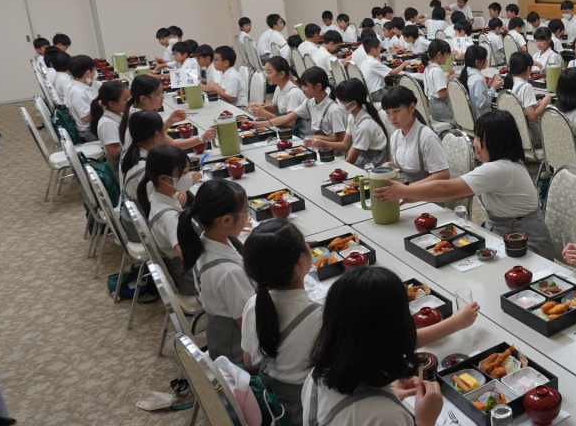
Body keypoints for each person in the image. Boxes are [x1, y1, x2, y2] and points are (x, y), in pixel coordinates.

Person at [375, 111, 554, 259]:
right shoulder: (501, 165)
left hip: (525, 243)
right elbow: (459, 192)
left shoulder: (500, 169)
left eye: (479, 138)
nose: (475, 144)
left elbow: (447, 189)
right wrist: (411, 194)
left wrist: (405, 190)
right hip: (504, 233)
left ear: (496, 142)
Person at [303, 267, 446, 426]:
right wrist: (426, 420)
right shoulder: (387, 417)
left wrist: (388, 391)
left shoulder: (317, 375)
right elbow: (374, 415)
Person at [240, 220, 320, 425]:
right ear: (302, 260)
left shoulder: (253, 304)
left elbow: (249, 363)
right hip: (307, 410)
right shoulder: (321, 317)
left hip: (270, 405)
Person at [177, 179, 253, 361]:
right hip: (238, 354)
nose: (247, 217)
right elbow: (250, 327)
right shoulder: (229, 273)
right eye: (245, 212)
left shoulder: (201, 241)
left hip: (221, 338)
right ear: (226, 220)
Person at [137, 144, 199, 296]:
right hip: (191, 283)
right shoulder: (171, 218)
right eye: (184, 172)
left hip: (182, 276)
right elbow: (189, 258)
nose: (188, 175)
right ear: (164, 178)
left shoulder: (155, 196)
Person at [119, 75, 214, 151]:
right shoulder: (143, 118)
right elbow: (172, 145)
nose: (162, 98)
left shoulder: (133, 110)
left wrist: (170, 121)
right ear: (143, 98)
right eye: (158, 94)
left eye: (162, 93)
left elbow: (151, 133)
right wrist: (203, 138)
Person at [251, 66, 347, 143]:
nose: (303, 89)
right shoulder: (310, 102)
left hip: (327, 150)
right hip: (313, 144)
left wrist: (317, 137)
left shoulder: (333, 109)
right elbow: (287, 118)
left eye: (306, 86)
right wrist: (257, 124)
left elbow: (341, 138)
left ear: (318, 86)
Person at [309, 79, 389, 166]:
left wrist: (330, 168)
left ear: (353, 103)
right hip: (363, 157)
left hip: (373, 162)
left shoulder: (365, 126)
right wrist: (322, 143)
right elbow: (345, 145)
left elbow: (351, 160)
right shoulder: (352, 115)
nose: (338, 104)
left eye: (341, 101)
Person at [381, 87, 450, 184]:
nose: (392, 118)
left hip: (427, 194)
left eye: (396, 111)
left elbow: (444, 174)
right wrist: (391, 164)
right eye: (388, 112)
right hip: (405, 190)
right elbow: (409, 164)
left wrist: (409, 188)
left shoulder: (427, 137)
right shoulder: (395, 136)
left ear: (412, 107)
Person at [119, 109, 167, 214]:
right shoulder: (145, 169)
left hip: (131, 212)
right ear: (157, 135)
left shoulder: (128, 152)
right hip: (146, 220)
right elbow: (159, 206)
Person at [504, 51, 551, 147]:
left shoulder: (509, 81)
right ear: (528, 68)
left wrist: (535, 105)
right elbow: (531, 117)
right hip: (528, 136)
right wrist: (545, 102)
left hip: (514, 133)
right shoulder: (526, 86)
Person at [247, 57, 308, 130]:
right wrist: (262, 105)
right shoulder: (278, 88)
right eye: (266, 72)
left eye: (269, 72)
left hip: (299, 133)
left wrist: (267, 115)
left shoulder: (293, 93)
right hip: (283, 128)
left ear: (281, 74)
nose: (266, 76)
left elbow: (291, 124)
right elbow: (277, 109)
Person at [90, 81, 130, 178]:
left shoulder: (119, 114)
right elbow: (114, 153)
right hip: (120, 172)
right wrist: (134, 141)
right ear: (112, 103)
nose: (130, 101)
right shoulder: (107, 123)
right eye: (126, 99)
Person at [63, 55, 101, 142]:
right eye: (94, 69)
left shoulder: (91, 84)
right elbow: (85, 117)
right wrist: (100, 104)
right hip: (89, 130)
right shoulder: (78, 93)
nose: (96, 72)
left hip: (97, 123)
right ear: (88, 73)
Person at [359, 38, 408, 102]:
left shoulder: (365, 61)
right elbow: (393, 72)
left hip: (369, 93)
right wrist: (405, 63)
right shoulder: (374, 62)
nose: (379, 51)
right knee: (402, 94)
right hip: (377, 94)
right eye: (379, 48)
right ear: (373, 49)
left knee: (395, 90)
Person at [460, 45, 501, 118]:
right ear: (477, 62)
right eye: (484, 58)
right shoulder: (478, 79)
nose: (487, 60)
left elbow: (475, 95)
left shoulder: (467, 72)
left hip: (471, 117)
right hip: (481, 119)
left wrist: (488, 85)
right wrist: (493, 88)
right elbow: (482, 104)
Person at [421, 39, 455, 125]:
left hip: (432, 106)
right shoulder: (437, 71)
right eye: (447, 54)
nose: (448, 57)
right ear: (439, 54)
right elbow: (442, 95)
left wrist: (446, 78)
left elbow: (434, 85)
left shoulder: (427, 67)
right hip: (441, 108)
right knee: (461, 118)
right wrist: (451, 84)